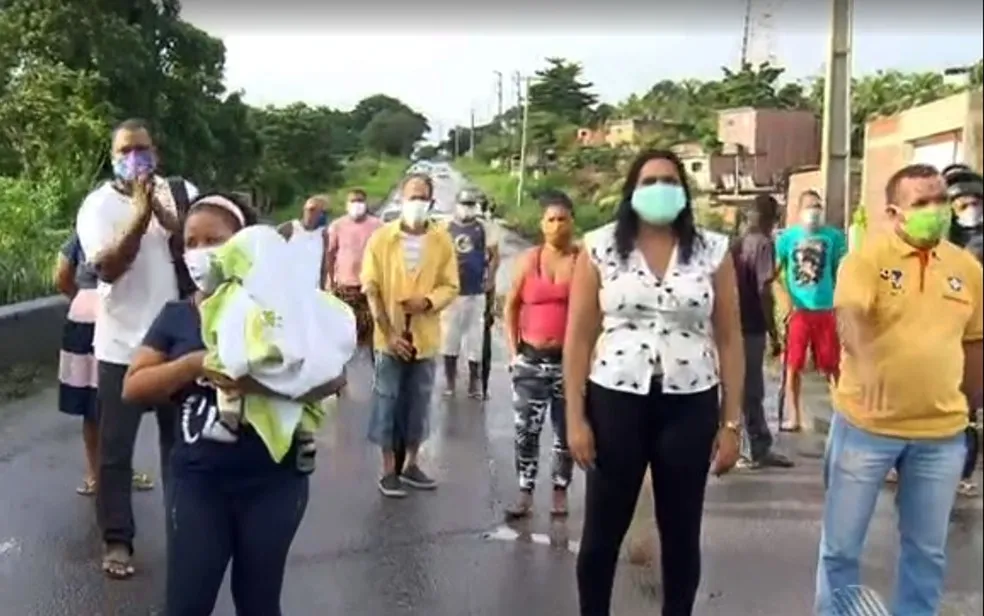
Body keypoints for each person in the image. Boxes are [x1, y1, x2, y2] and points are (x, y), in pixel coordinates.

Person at [122, 193, 335, 615]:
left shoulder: (282, 310)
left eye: (214, 240)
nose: (201, 253)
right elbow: (134, 387)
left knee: (258, 601)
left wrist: (256, 382)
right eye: (191, 243)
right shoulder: (176, 316)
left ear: (246, 243)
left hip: (275, 481)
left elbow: (331, 379)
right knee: (187, 602)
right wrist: (194, 364)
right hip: (199, 481)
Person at [563, 149, 743, 615]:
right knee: (603, 529)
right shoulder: (600, 247)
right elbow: (579, 338)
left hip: (690, 403)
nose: (659, 189)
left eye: (668, 180)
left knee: (682, 532)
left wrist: (731, 424)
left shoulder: (712, 251)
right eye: (648, 181)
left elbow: (729, 340)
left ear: (683, 191)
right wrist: (575, 418)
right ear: (631, 191)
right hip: (616, 400)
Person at [815, 164, 983, 616]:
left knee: (926, 554)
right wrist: (867, 364)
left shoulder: (966, 268)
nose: (935, 210)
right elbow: (848, 315)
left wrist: (970, 407)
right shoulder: (867, 260)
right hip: (866, 429)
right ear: (893, 212)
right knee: (841, 550)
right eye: (920, 203)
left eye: (939, 200)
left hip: (940, 436)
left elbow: (975, 341)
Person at [75, 118, 198, 579]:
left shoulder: (176, 192)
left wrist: (169, 220)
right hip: (120, 346)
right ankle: (118, 540)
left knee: (179, 447)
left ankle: (184, 530)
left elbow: (203, 248)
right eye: (126, 150)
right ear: (114, 156)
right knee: (115, 452)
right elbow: (106, 269)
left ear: (156, 152)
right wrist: (139, 217)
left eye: (142, 148)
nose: (135, 158)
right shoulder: (98, 206)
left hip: (173, 343)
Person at [362, 173, 459, 498]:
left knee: (419, 401)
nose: (416, 202)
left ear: (431, 201)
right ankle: (389, 468)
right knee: (387, 399)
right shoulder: (381, 239)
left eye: (422, 197)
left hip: (425, 337)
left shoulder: (441, 239)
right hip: (388, 339)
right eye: (411, 196)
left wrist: (428, 301)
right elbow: (371, 289)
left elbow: (451, 285)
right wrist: (388, 333)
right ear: (402, 199)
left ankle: (412, 464)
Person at [55, 233, 156, 496]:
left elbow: (62, 276)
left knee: (95, 403)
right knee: (115, 402)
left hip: (87, 318)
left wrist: (83, 298)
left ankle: (100, 473)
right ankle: (108, 472)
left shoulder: (80, 237)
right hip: (113, 322)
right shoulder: (130, 237)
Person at [501, 190, 578, 519]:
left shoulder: (582, 262)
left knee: (566, 432)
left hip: (569, 362)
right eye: (551, 219)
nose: (557, 225)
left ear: (572, 223)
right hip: (531, 359)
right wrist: (513, 350)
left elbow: (594, 313)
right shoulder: (528, 260)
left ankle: (560, 491)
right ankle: (525, 492)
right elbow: (511, 306)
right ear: (542, 225)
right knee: (526, 431)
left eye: (563, 219)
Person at [775, 189, 847, 431]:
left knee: (832, 365)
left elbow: (841, 270)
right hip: (799, 311)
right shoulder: (787, 238)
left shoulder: (834, 237)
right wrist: (786, 300)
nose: (813, 211)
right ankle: (794, 416)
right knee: (794, 365)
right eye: (809, 206)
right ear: (798, 211)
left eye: (817, 206)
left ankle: (841, 416)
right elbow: (775, 272)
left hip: (826, 310)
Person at [732, 195, 794, 470]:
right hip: (751, 324)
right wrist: (774, 331)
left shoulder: (735, 244)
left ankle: (749, 446)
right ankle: (753, 449)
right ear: (773, 218)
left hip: (731, 324)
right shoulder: (763, 244)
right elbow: (764, 290)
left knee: (737, 387)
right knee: (752, 389)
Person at [944, 164, 983, 497]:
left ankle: (963, 472)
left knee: (967, 407)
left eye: (975, 202)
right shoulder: (940, 243)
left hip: (974, 335)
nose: (970, 210)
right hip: (941, 332)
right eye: (961, 204)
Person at [439, 187, 500, 398]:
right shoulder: (445, 227)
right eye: (463, 204)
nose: (467, 209)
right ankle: (450, 381)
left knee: (475, 340)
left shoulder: (484, 228)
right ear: (456, 205)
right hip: (452, 294)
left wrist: (490, 280)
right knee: (449, 339)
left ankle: (475, 382)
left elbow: (494, 256)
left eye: (470, 205)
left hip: (476, 293)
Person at [325, 188, 382, 357]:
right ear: (346, 205)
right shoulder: (337, 226)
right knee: (345, 329)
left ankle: (374, 364)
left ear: (365, 203)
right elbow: (330, 254)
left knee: (372, 330)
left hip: (369, 286)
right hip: (345, 286)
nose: (356, 205)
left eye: (359, 201)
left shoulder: (377, 226)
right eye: (353, 201)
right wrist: (330, 281)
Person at [277, 194, 330, 289]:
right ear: (304, 210)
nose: (312, 214)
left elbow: (324, 265)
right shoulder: (288, 228)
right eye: (311, 210)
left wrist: (323, 287)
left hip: (311, 288)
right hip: (287, 286)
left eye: (318, 211)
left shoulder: (323, 234)